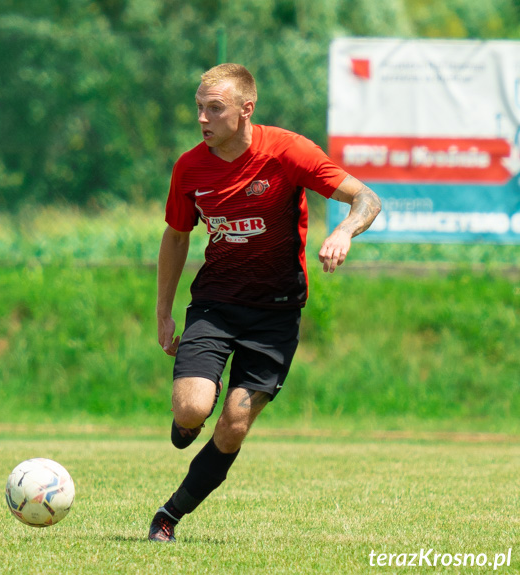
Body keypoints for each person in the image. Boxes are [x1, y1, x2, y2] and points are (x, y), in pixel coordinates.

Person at [148, 63, 381, 543]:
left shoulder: (287, 152)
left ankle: (169, 516)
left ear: (245, 109)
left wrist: (343, 230)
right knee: (193, 409)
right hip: (216, 302)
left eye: (215, 109)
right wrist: (164, 312)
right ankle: (189, 417)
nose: (203, 119)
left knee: (233, 424)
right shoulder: (190, 167)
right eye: (199, 108)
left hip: (275, 309)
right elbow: (175, 237)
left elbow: (366, 199)